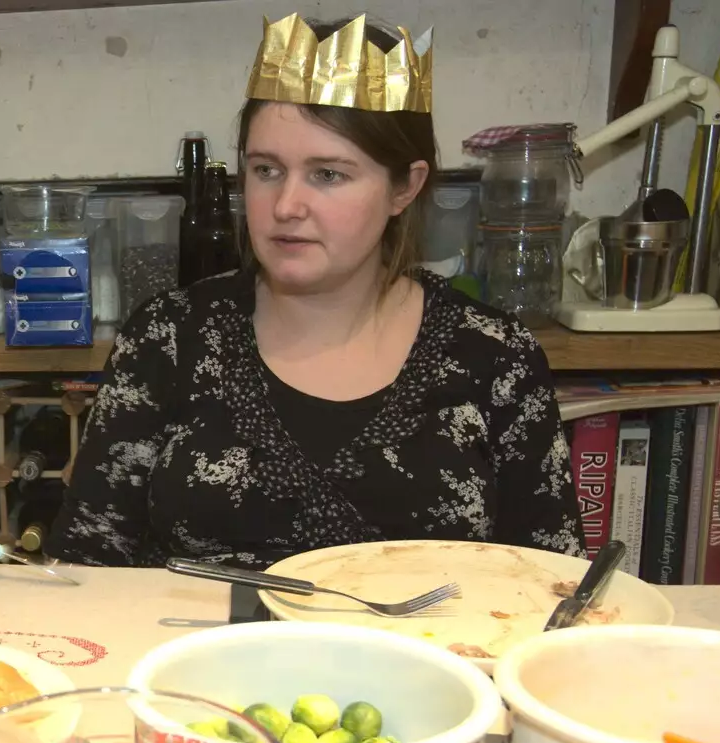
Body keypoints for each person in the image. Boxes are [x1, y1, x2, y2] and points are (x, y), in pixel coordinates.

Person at [48, 13, 582, 568]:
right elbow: (86, 565)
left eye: (328, 174)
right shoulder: (169, 337)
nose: (285, 206)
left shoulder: (495, 357)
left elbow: (552, 585)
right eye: (266, 170)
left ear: (406, 186)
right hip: (199, 651)